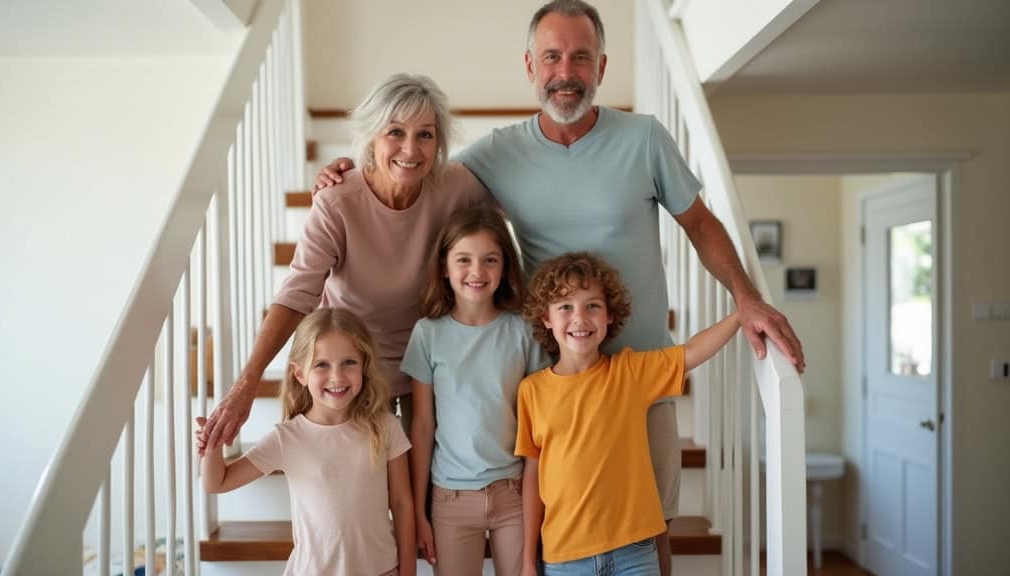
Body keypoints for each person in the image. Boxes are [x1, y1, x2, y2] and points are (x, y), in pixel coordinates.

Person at [315, 2, 804, 572]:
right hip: (556, 381)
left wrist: (746, 298)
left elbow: (700, 224)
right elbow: (413, 167)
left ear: (601, 66)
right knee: (560, 535)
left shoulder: (645, 138)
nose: (565, 72)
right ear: (530, 65)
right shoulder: (499, 153)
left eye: (580, 57)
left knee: (652, 531)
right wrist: (349, 169)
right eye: (551, 57)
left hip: (641, 375)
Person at [199, 73, 490, 454]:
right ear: (371, 136)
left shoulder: (455, 187)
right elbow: (296, 295)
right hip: (351, 370)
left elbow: (519, 213)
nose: (411, 148)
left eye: (425, 134)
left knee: (428, 482)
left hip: (427, 366)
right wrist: (247, 383)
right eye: (395, 132)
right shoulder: (337, 201)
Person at [516, 252, 740, 575]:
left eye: (592, 306)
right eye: (565, 307)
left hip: (634, 554)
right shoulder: (531, 391)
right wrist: (527, 560)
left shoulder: (630, 372)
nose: (580, 318)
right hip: (565, 558)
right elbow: (532, 475)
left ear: (609, 316)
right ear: (546, 318)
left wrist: (742, 314)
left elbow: (692, 352)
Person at [195, 307, 415, 576]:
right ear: (299, 374)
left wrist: (408, 570)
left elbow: (402, 503)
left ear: (364, 367)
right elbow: (216, 483)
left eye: (349, 362)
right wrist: (213, 445)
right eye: (322, 365)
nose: (337, 376)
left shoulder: (386, 427)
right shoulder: (287, 438)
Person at [401, 207, 550, 575]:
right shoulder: (428, 334)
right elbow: (422, 426)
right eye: (464, 259)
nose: (477, 271)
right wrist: (419, 511)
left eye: (490, 260)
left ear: (505, 267)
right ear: (444, 266)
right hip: (450, 497)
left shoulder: (523, 332)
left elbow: (541, 424)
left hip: (514, 491)